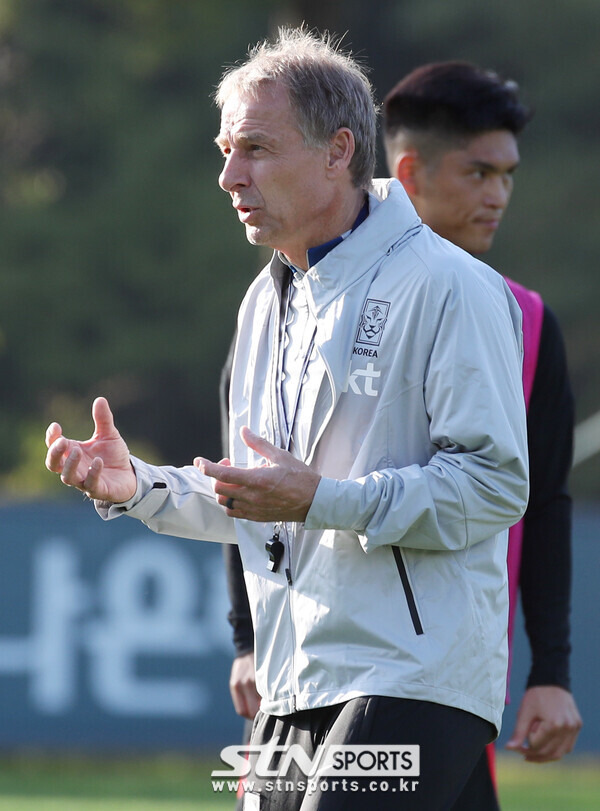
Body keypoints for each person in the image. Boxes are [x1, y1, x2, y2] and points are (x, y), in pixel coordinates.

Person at [46, 30, 529, 810]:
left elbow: (494, 486)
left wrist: (321, 500)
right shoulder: (262, 301)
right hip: (291, 683)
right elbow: (264, 499)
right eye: (225, 148)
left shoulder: (454, 287)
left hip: (409, 678)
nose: (228, 174)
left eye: (256, 149)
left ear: (340, 151)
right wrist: (138, 487)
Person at [382, 61, 582, 807]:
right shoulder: (321, 305)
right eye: (478, 172)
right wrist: (248, 637)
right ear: (410, 173)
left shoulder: (528, 323)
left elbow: (545, 503)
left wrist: (550, 670)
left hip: (460, 687)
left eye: (507, 174)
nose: (498, 194)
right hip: (342, 673)